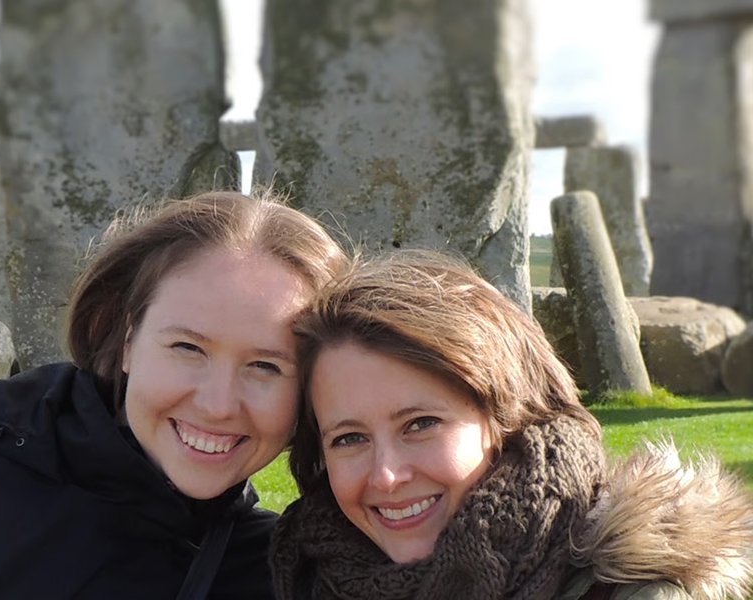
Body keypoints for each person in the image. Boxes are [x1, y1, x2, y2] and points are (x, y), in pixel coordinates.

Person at [270, 249, 753, 600]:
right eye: (349, 437)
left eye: (420, 424)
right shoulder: (305, 574)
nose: (385, 476)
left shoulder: (641, 591)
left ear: (510, 423)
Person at [0, 190, 348, 599]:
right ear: (127, 340)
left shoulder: (279, 573)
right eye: (188, 348)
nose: (218, 405)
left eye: (266, 366)